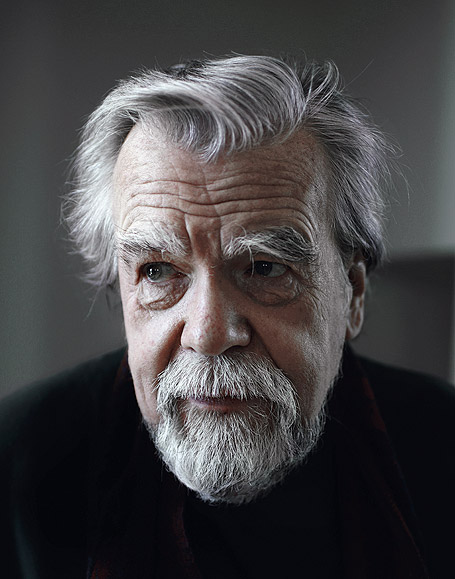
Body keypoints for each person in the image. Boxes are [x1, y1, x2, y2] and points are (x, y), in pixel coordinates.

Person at [0, 54, 453, 579]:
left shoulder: (441, 448)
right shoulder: (20, 467)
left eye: (264, 267)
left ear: (352, 294)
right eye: (157, 271)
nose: (209, 333)